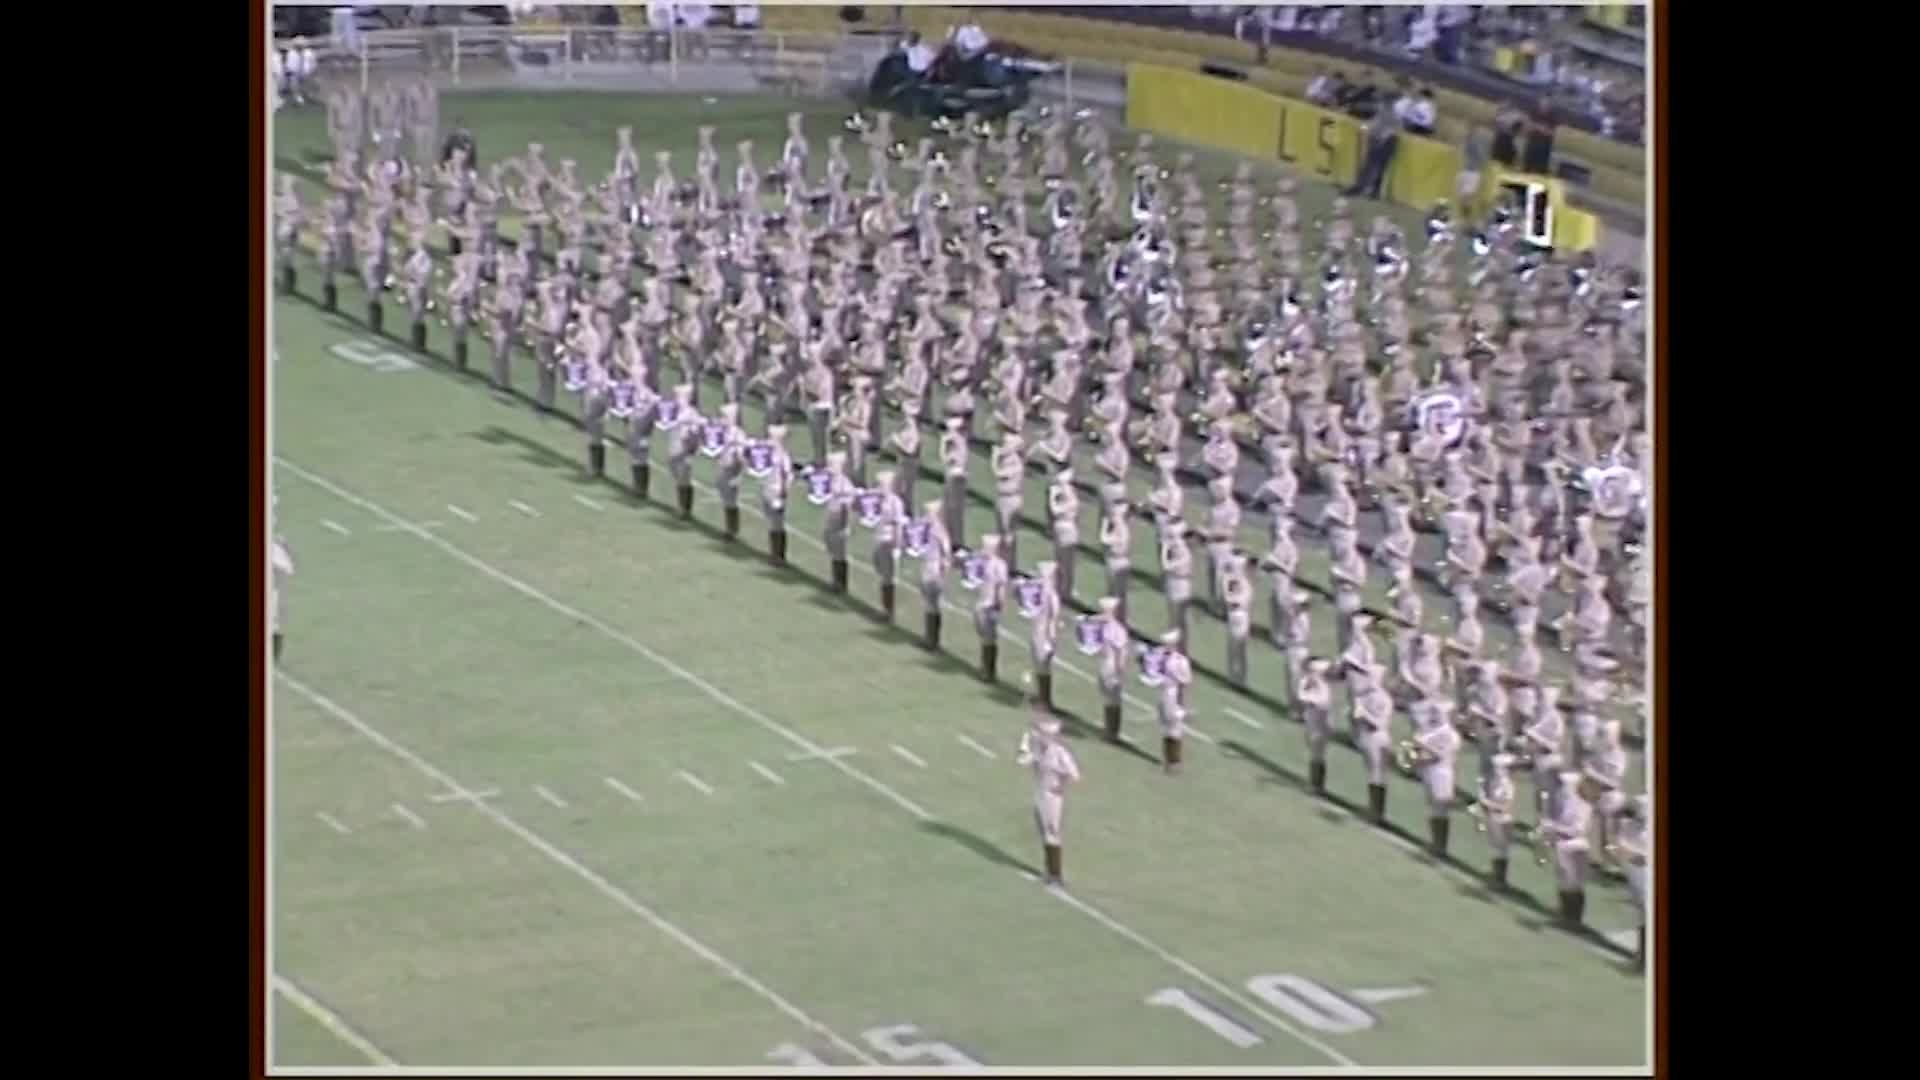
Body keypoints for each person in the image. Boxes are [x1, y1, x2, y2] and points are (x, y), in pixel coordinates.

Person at [1016, 690, 1080, 888]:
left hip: (1053, 795)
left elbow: (1075, 775)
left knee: (1052, 832)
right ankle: (1048, 871)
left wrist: (1060, 784)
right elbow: (1024, 758)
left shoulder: (1060, 753)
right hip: (1040, 792)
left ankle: (1056, 874)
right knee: (1044, 831)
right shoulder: (1039, 748)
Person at [1156, 629, 1194, 775]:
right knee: (1165, 726)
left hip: (1174, 693)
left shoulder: (1181, 661)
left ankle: (1175, 761)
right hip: (1163, 692)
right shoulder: (1160, 656)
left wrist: (1177, 677)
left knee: (1175, 727)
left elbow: (1187, 680)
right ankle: (1167, 759)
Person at [973, 533, 1010, 681]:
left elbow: (1001, 586)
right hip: (981, 603)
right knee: (984, 637)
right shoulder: (983, 562)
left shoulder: (999, 565)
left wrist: (999, 603)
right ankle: (986, 667)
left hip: (990, 605)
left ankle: (988, 671)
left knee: (989, 638)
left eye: (986, 547)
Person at [920, 498, 952, 650]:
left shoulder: (938, 529)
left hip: (934, 569)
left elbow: (946, 551)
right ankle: (930, 637)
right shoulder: (929, 527)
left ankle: (933, 640)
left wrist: (944, 568)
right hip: (928, 567)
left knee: (933, 604)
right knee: (929, 604)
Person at [271, 533, 295, 663]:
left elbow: (288, 569)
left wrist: (286, 547)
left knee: (274, 624)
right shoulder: (277, 547)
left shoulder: (277, 549)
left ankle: (274, 656)